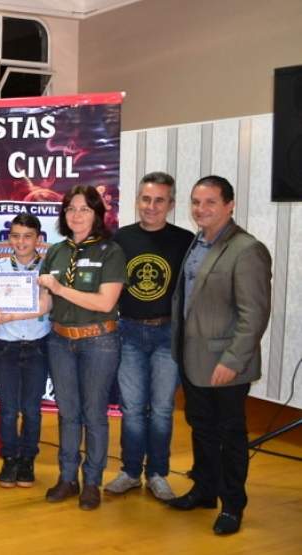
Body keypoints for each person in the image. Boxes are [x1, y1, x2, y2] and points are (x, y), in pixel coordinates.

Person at [168, 176, 272, 536]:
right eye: (196, 202)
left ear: (229, 205)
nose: (201, 209)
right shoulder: (196, 243)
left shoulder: (247, 249)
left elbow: (254, 314)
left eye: (210, 202)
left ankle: (232, 504)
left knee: (230, 434)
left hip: (225, 364)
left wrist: (232, 360)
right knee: (202, 429)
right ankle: (205, 490)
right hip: (191, 358)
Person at [104, 172, 193, 500]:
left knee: (162, 409)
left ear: (170, 204)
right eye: (146, 199)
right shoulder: (121, 239)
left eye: (159, 200)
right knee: (132, 407)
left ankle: (157, 473)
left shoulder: (186, 241)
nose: (151, 206)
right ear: (137, 200)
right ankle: (129, 471)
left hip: (166, 335)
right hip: (128, 332)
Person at [37, 185, 125, 510]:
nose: (76, 215)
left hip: (98, 341)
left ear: (97, 214)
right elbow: (45, 304)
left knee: (94, 414)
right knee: (68, 412)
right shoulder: (55, 252)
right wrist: (7, 310)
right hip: (60, 340)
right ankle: (66, 477)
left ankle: (92, 482)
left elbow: (105, 302)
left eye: (84, 209)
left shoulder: (110, 251)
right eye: (71, 209)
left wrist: (61, 288)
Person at [0, 214, 51, 488]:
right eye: (15, 236)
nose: (21, 242)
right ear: (9, 238)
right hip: (6, 347)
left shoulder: (48, 269)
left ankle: (27, 459)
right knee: (8, 410)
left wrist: (11, 316)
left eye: (27, 236)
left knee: (32, 410)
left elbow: (47, 305)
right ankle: (10, 458)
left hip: (37, 346)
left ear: (38, 238)